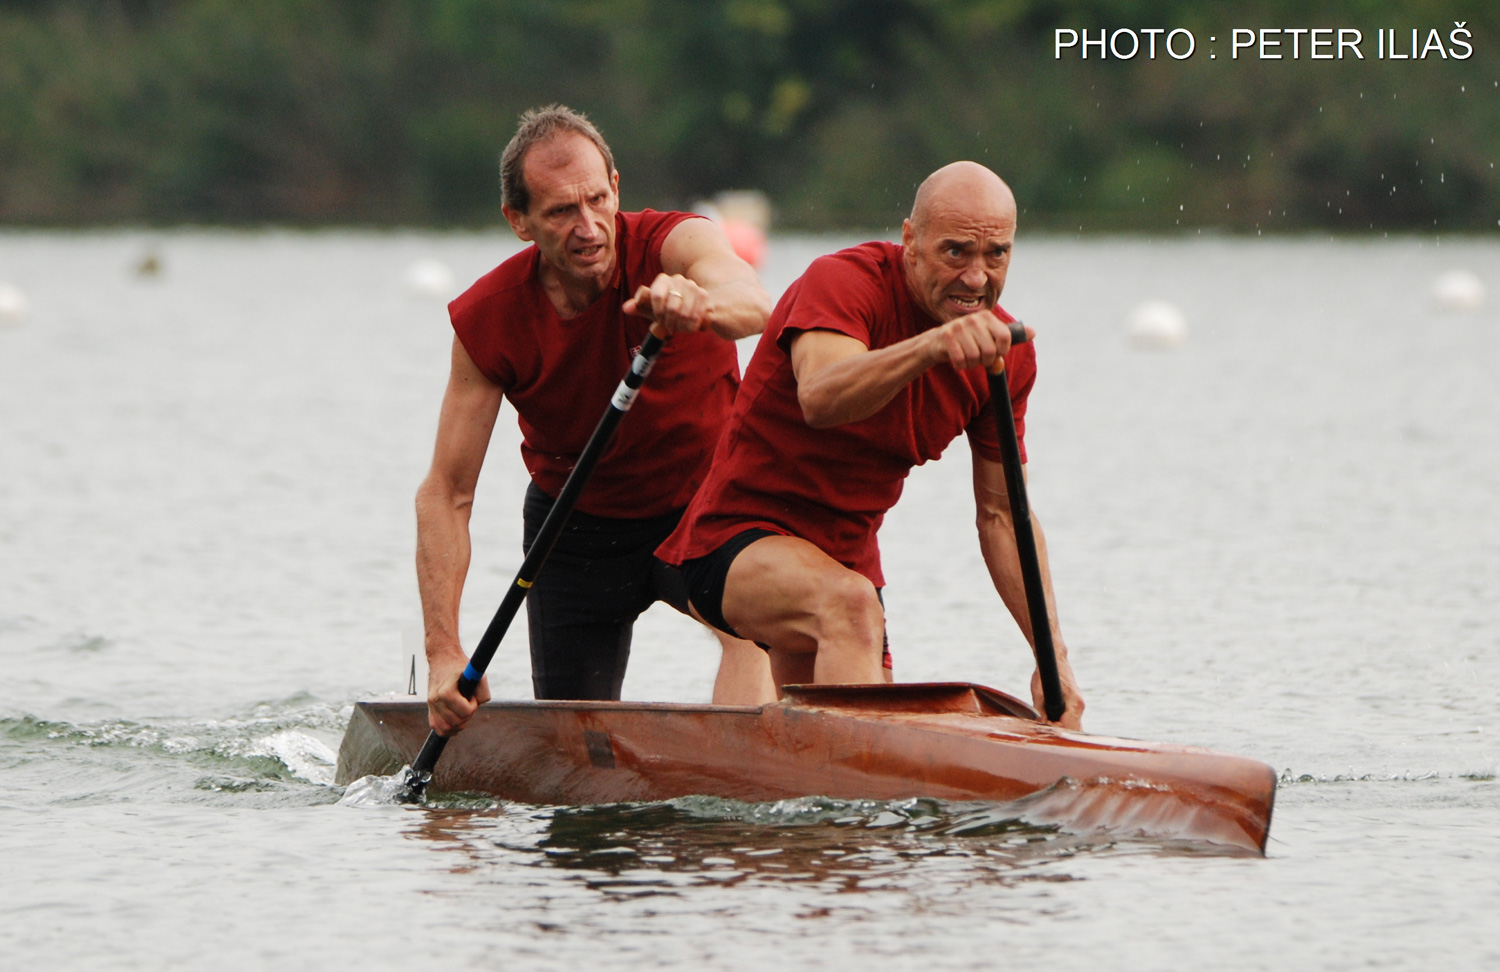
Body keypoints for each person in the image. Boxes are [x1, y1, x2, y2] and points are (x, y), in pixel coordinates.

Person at [656, 160, 1086, 729]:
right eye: (955, 252)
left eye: (996, 255)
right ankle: (850, 815)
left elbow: (1004, 516)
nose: (977, 278)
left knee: (845, 713)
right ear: (910, 240)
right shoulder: (842, 283)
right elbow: (822, 396)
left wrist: (1051, 660)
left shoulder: (1006, 354)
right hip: (733, 544)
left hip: (844, 563)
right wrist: (933, 347)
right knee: (851, 610)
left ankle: (799, 805)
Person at [418, 105, 775, 738]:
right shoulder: (490, 318)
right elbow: (447, 493)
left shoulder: (678, 244)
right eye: (560, 212)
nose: (588, 228)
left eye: (597, 199)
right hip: (573, 529)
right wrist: (445, 650)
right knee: (573, 738)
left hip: (706, 506)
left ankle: (739, 793)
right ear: (518, 222)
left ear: (617, 186)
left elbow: (755, 303)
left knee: (755, 633)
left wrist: (703, 302)